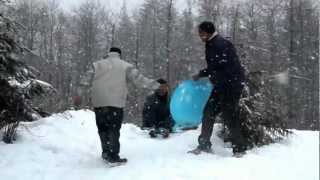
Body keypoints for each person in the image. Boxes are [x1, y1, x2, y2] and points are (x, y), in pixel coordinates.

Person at [91, 47, 160, 164]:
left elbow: (85, 80)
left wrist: (79, 94)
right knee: (113, 129)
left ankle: (106, 152)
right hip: (115, 103)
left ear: (109, 54)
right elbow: (139, 80)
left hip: (99, 102)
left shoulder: (97, 65)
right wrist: (156, 85)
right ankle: (113, 156)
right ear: (119, 55)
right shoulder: (125, 65)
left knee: (102, 129)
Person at [189, 21, 246, 156]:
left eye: (201, 33)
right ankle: (204, 145)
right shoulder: (211, 43)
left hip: (231, 85)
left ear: (208, 32)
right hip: (221, 85)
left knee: (229, 115)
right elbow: (215, 67)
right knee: (208, 112)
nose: (199, 36)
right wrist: (202, 74)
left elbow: (224, 67)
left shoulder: (220, 44)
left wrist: (205, 75)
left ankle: (240, 149)